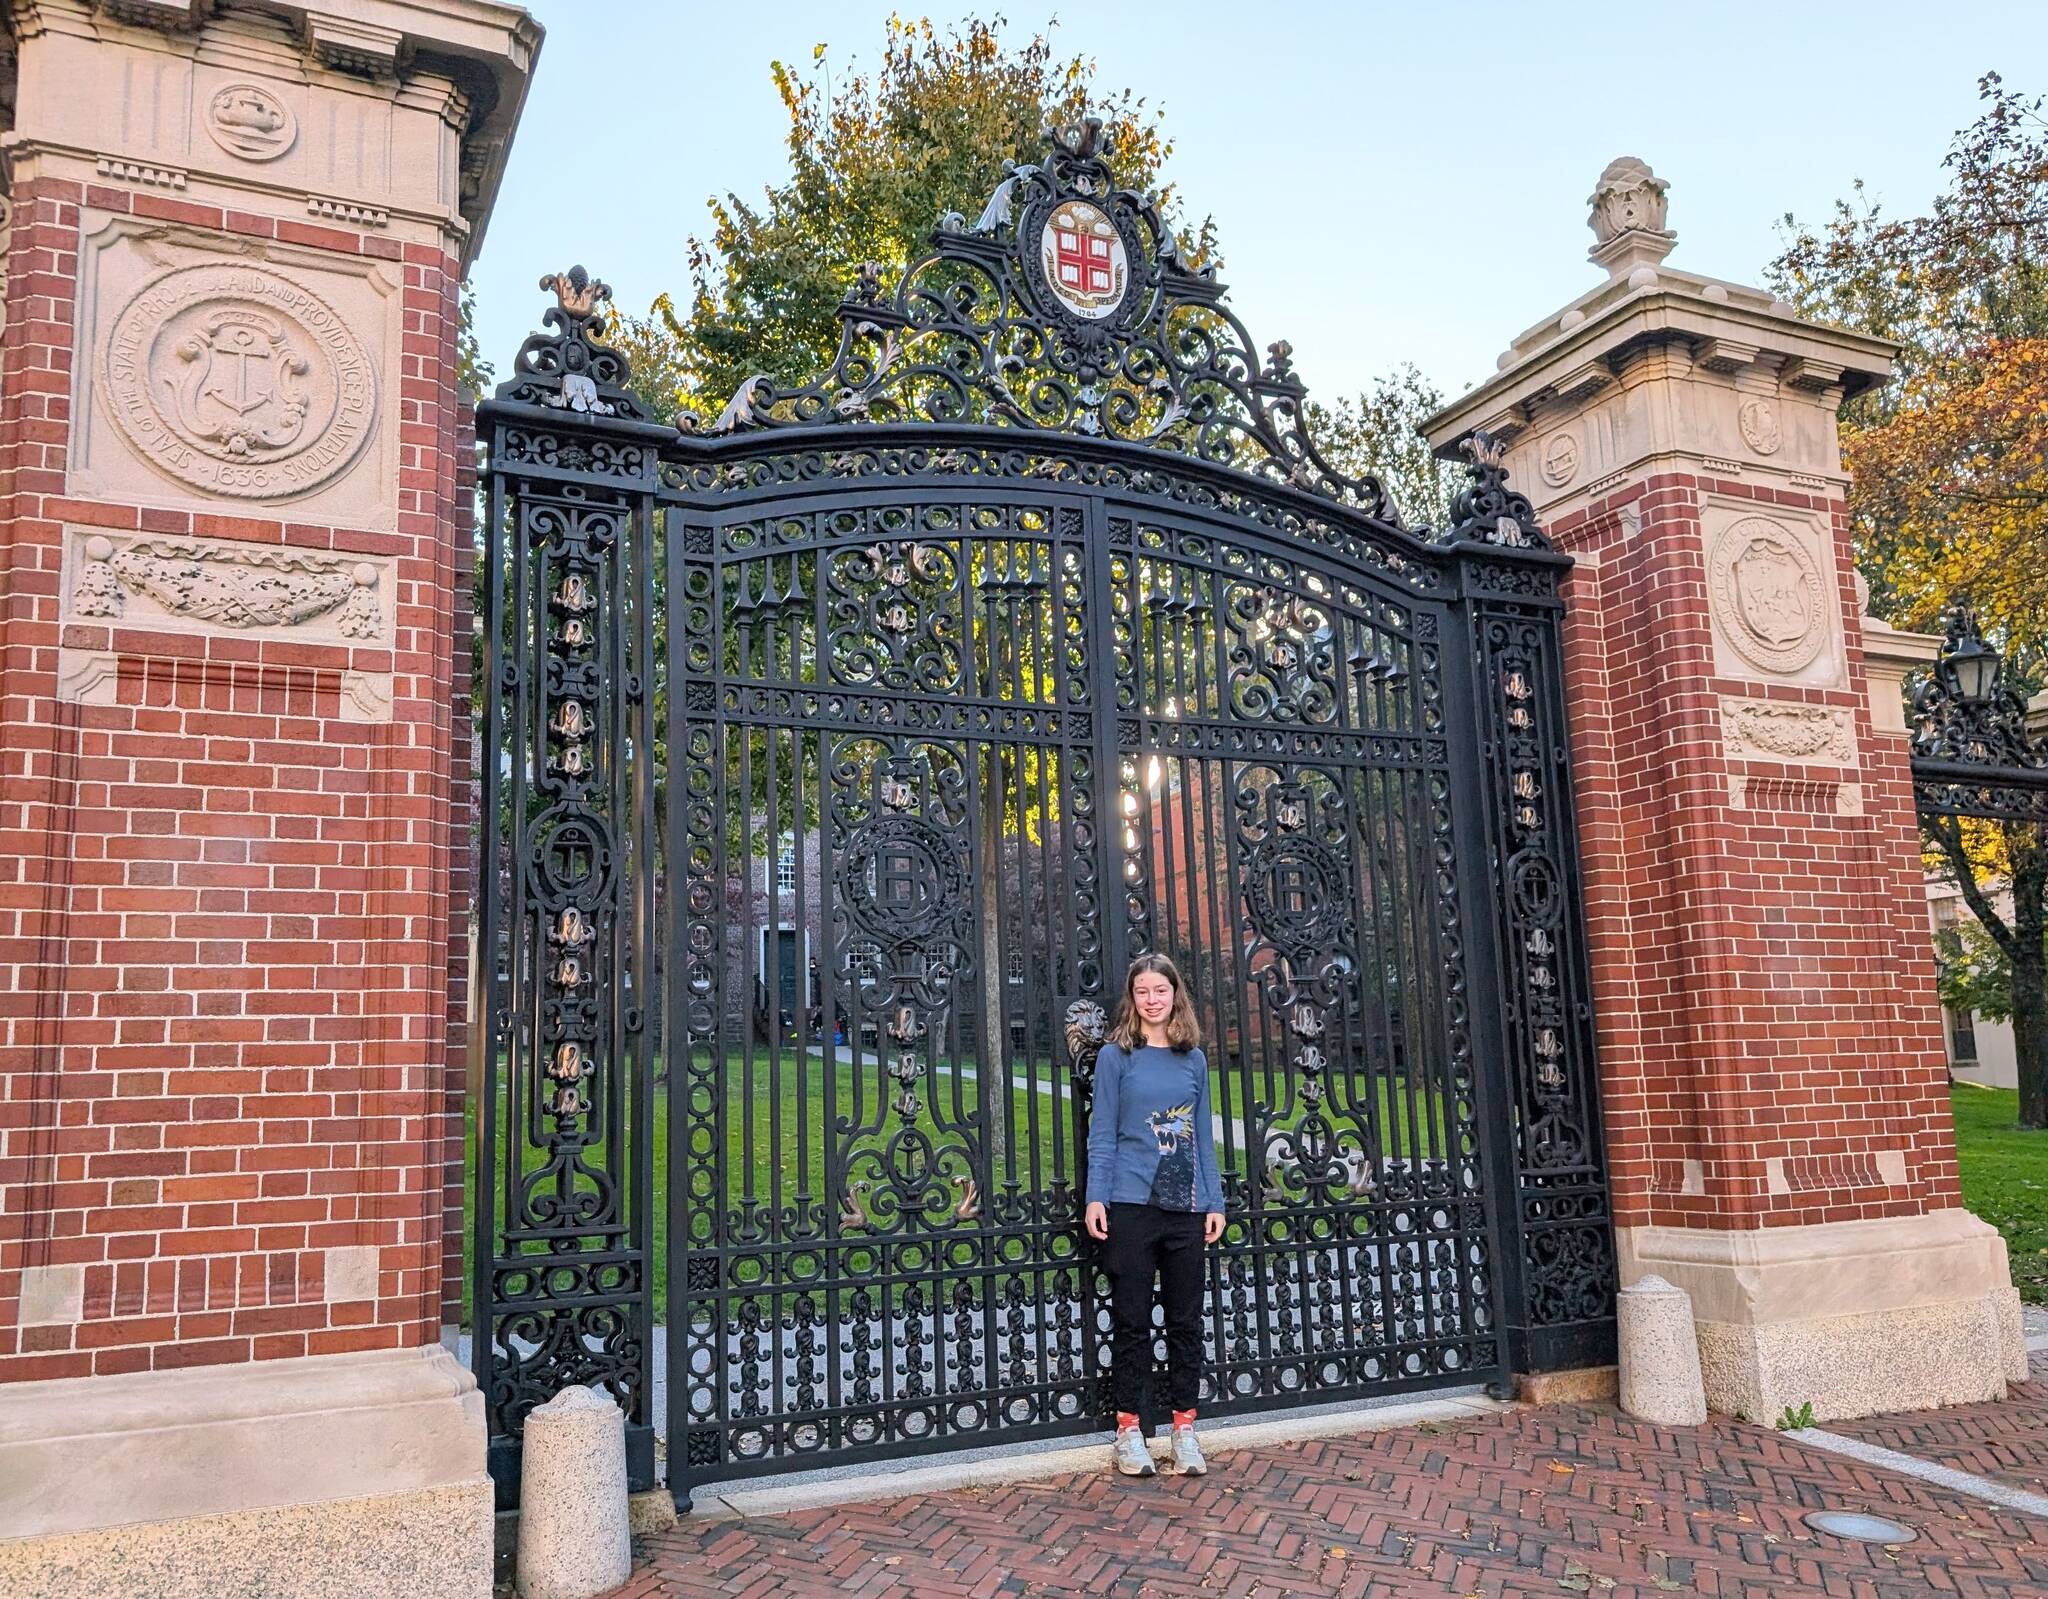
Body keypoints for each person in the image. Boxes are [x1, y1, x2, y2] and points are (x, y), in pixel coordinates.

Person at [1084, 953, 1225, 1477]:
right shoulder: (1116, 1057)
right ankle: (1129, 1431)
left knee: (1186, 1322)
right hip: (1130, 1206)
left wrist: (1214, 1201)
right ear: (1133, 997)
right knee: (1132, 1322)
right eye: (1142, 990)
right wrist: (1096, 1197)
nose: (1151, 999)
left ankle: (1184, 1428)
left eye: (1159, 990)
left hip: (1185, 1208)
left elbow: (1202, 1139)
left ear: (1174, 995)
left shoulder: (1194, 1061)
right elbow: (1103, 1135)